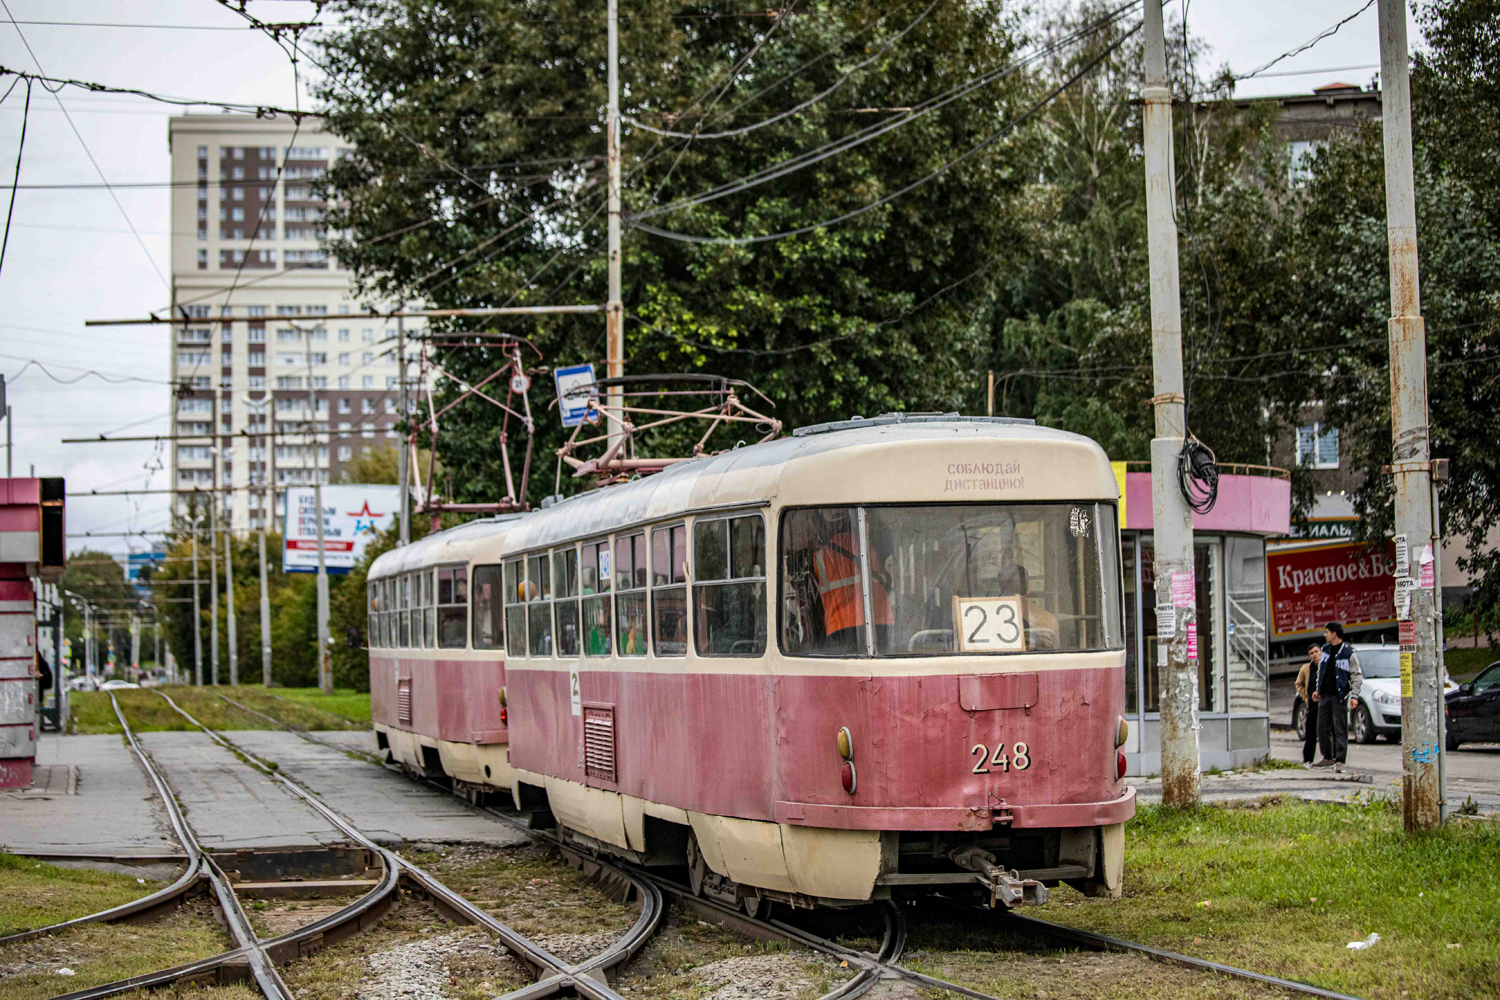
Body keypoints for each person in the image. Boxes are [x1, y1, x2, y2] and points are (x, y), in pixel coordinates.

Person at [812, 512, 893, 653]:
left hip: (839, 625)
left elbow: (815, 597)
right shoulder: (872, 546)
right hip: (879, 620)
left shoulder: (819, 556)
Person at [1312, 621, 1363, 772]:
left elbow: (1356, 675)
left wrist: (1354, 695)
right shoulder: (1325, 649)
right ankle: (1328, 756)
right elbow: (1321, 670)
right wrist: (1317, 689)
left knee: (1339, 728)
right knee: (1321, 727)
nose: (1324, 635)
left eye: (1326, 632)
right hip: (1324, 695)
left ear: (1334, 634)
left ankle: (1340, 760)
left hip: (1339, 696)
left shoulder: (1348, 652)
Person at [1295, 643, 1323, 767]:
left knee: (1327, 731)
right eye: (1311, 653)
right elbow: (1299, 684)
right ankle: (1307, 759)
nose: (1314, 655)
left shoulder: (1325, 666)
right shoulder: (1306, 668)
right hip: (1312, 704)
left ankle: (1330, 757)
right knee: (1310, 732)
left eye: (1316, 652)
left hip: (1325, 704)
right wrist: (1305, 697)